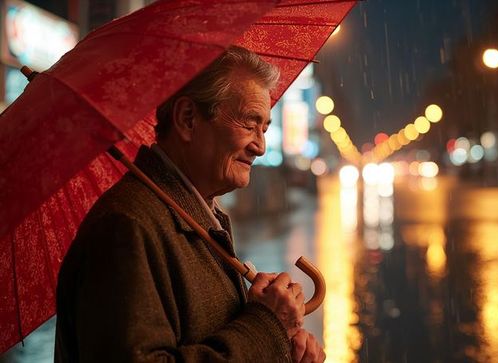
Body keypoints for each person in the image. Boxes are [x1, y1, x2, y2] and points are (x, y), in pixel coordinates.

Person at [54, 46, 325, 363]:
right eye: (249, 124)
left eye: (264, 128)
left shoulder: (196, 217)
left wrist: (281, 346)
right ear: (187, 119)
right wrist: (266, 327)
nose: (261, 147)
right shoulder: (126, 226)